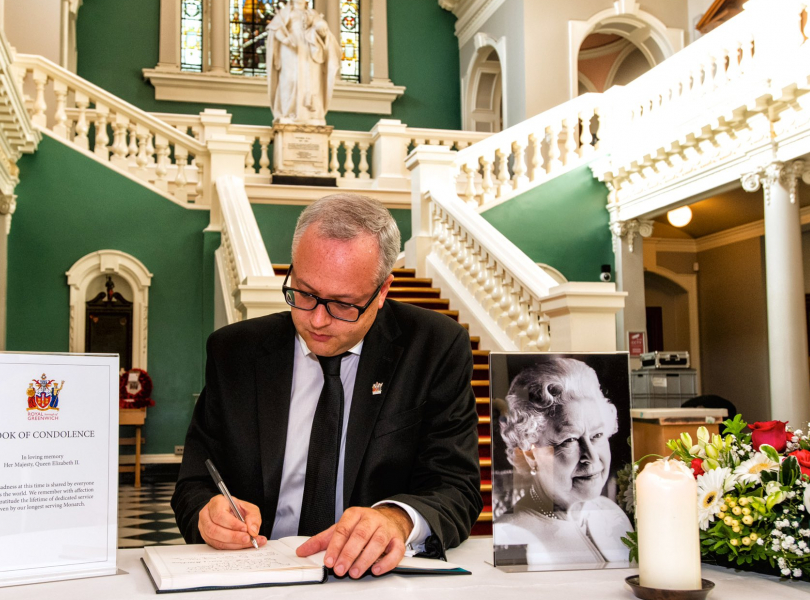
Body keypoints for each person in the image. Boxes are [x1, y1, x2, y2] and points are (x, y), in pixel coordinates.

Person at [172, 193, 481, 578]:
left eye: (343, 304)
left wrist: (396, 519)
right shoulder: (233, 351)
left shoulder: (434, 346)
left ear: (383, 291)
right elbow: (194, 484)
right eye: (304, 293)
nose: (317, 320)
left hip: (372, 580)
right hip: (257, 575)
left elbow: (457, 487)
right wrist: (208, 513)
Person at [494, 357, 632, 569]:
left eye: (596, 435)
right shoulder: (513, 537)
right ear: (530, 455)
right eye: (569, 440)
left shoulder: (611, 513)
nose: (592, 457)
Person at [266, 0, 339, 124]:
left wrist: (321, 30)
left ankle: (311, 114)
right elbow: (275, 29)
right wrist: (285, 40)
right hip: (290, 50)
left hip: (309, 50)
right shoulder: (285, 13)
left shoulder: (313, 14)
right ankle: (288, 112)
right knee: (290, 79)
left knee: (311, 81)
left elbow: (323, 32)